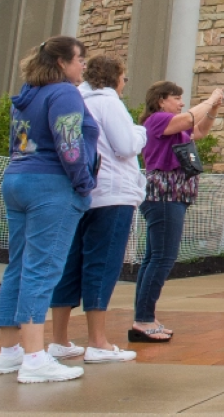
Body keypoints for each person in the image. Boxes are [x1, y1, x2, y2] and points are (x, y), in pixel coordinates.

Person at [0, 36, 98, 384]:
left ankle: (10, 352)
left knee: (19, 266)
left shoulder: (27, 94)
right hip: (51, 186)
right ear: (62, 63)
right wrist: (83, 184)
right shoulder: (64, 92)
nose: (83, 66)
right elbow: (69, 145)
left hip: (18, 178)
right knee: (43, 268)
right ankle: (36, 357)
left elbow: (18, 142)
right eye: (79, 59)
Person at [48, 55, 146, 364]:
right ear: (115, 77)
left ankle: (60, 340)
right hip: (112, 194)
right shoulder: (109, 102)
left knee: (70, 264)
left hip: (79, 192)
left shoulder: (74, 99)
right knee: (101, 264)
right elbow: (126, 145)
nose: (124, 83)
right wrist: (141, 132)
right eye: (124, 77)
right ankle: (97, 342)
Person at [131, 81, 224, 343]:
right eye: (177, 98)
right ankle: (143, 320)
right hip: (164, 195)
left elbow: (200, 130)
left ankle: (145, 315)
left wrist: (214, 109)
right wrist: (211, 96)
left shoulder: (174, 128)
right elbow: (190, 117)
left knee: (154, 258)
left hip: (173, 196)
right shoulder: (158, 120)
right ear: (161, 100)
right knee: (162, 258)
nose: (181, 103)